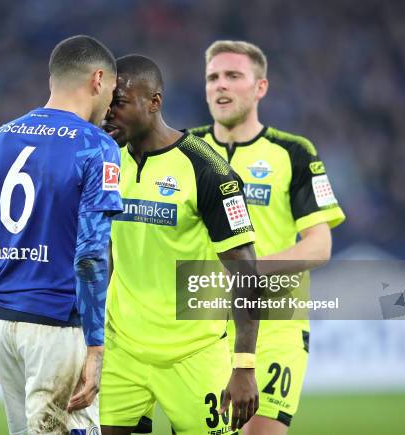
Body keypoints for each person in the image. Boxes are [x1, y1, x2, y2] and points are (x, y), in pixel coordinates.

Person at [0, 35, 123, 435]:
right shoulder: (96, 146)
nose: (110, 105)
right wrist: (95, 345)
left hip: (0, 321)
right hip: (55, 324)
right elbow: (91, 253)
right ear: (98, 79)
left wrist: (0, 298)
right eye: (113, 91)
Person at [189, 40, 346, 435]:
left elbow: (319, 244)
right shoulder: (183, 150)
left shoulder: (294, 153)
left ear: (260, 87)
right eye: (213, 77)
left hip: (276, 326)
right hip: (198, 329)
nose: (220, 85)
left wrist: (249, 272)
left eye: (233, 76)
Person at [100, 54, 260, 435]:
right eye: (106, 103)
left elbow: (247, 273)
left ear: (154, 102)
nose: (108, 114)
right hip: (122, 351)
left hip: (194, 354)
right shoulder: (105, 161)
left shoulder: (209, 171)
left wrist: (244, 365)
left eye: (119, 104)